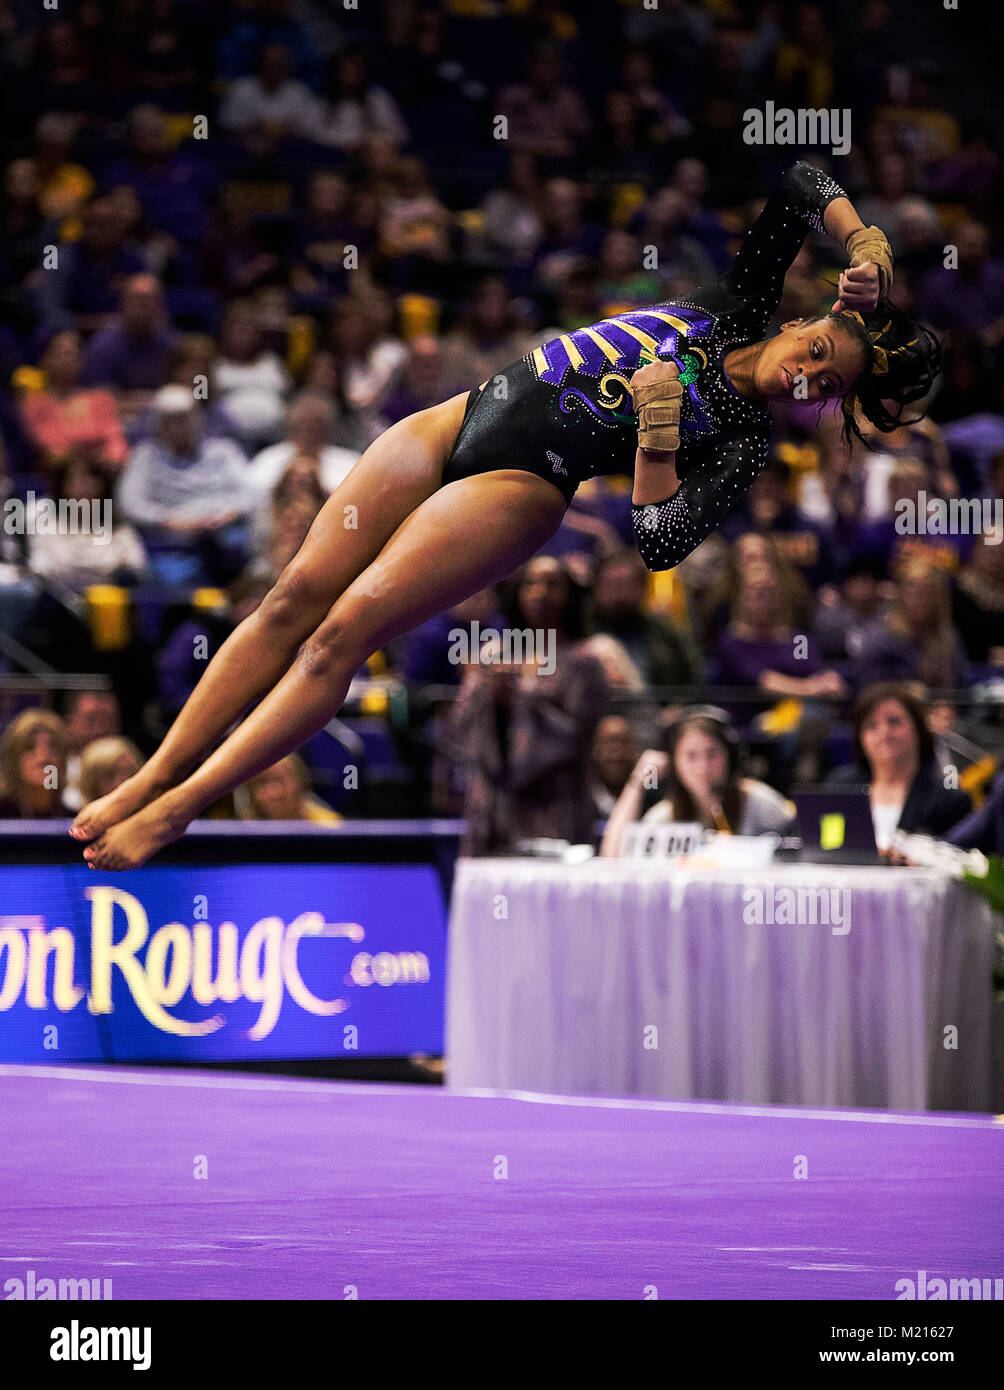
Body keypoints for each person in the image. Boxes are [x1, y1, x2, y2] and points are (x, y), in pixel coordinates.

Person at [69, 161, 941, 869]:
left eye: (826, 387)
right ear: (810, 316)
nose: (807, 376)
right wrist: (864, 237)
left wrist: (656, 443)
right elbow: (798, 183)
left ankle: (182, 807)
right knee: (290, 597)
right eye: (817, 353)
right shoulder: (739, 304)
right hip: (459, 415)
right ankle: (150, 776)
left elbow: (659, 541)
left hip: (523, 482)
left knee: (340, 633)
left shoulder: (744, 437)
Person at [600, 706, 795, 856]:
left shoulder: (761, 803)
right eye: (691, 756)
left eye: (712, 753)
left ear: (730, 756)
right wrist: (637, 782)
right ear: (675, 763)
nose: (703, 767)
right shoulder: (666, 815)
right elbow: (612, 856)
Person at [826, 681, 971, 853]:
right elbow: (825, 846)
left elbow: (959, 857)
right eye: (871, 725)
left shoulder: (948, 799)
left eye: (894, 722)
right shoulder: (839, 787)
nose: (884, 732)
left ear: (919, 730)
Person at [0, 709, 72, 818]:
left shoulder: (75, 820)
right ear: (13, 760)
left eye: (53, 747)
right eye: (30, 747)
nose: (43, 758)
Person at [235, 754, 341, 823]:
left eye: (280, 781)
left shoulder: (331, 828)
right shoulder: (240, 834)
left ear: (301, 783)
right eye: (262, 782)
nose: (274, 793)